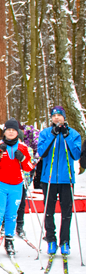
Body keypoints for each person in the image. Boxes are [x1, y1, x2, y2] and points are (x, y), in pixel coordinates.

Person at [37, 106, 82, 258]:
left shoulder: (74, 134)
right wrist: (52, 135)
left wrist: (66, 136)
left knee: (66, 212)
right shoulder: (45, 133)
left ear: (64, 117)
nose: (56, 118)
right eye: (54, 115)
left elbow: (76, 155)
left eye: (59, 115)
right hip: (48, 179)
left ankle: (65, 242)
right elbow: (41, 153)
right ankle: (51, 240)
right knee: (48, 211)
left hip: (66, 178)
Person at [0, 119, 34, 258]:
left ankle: (9, 241)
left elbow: (29, 167)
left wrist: (23, 158)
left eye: (13, 130)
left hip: (16, 185)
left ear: (17, 132)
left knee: (12, 215)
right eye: (8, 130)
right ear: (4, 131)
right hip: (0, 184)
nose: (11, 132)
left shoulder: (23, 147)